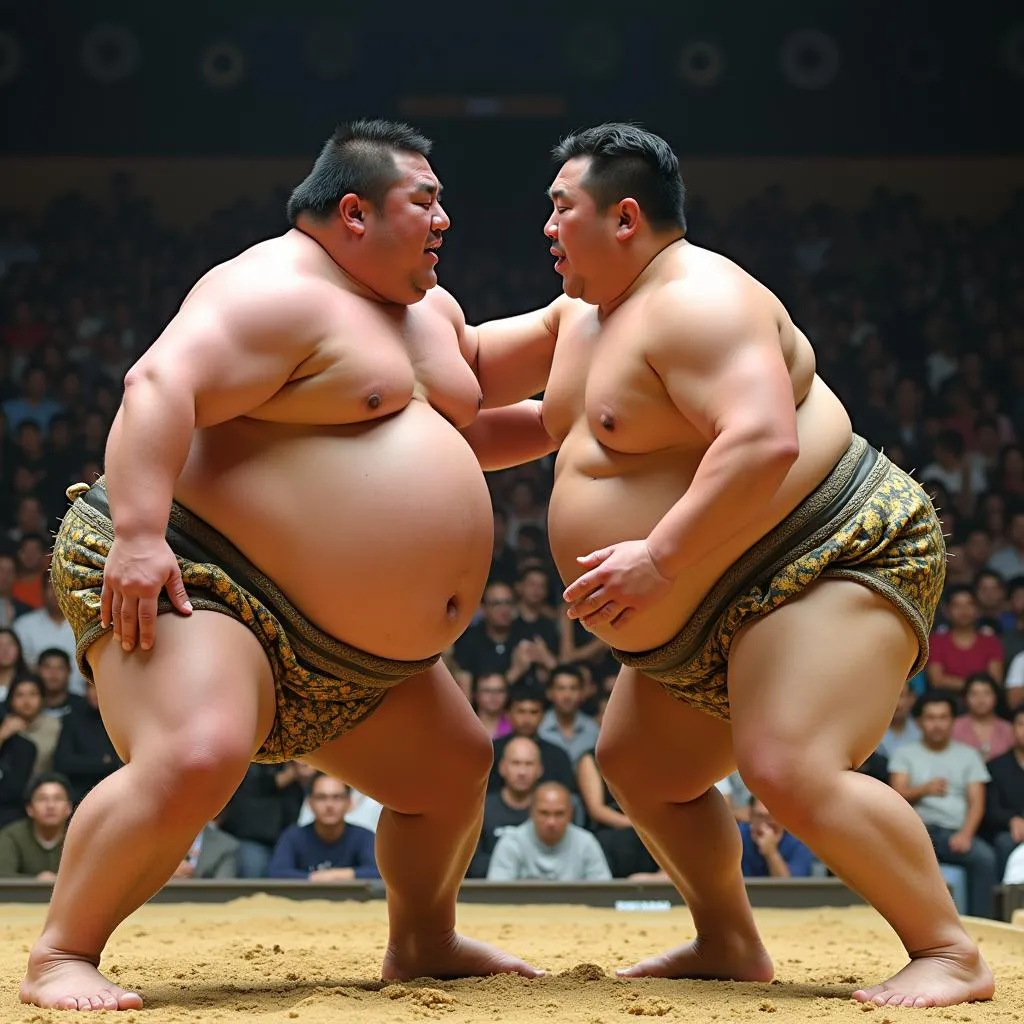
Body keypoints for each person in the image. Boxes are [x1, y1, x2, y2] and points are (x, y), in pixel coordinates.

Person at [20, 119, 551, 1012]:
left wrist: (588, 381)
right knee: (198, 751)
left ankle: (423, 939)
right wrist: (143, 539)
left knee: (453, 766)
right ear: (354, 212)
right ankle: (63, 951)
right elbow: (159, 385)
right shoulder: (273, 288)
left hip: (338, 641)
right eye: (425, 201)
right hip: (205, 570)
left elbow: (462, 416)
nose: (444, 219)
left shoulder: (426, 309)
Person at [471, 123, 992, 1006]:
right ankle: (727, 936)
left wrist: (660, 556)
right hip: (711, 600)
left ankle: (948, 950)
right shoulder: (580, 317)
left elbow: (760, 442)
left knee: (789, 763)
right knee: (639, 765)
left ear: (624, 217)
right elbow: (464, 369)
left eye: (562, 209)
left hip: (824, 549)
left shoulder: (701, 300)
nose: (548, 228)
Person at [486, 782, 611, 882]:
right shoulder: (511, 842)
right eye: (544, 813)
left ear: (570, 814)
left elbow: (603, 893)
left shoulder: (586, 843)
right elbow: (497, 894)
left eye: (559, 814)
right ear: (531, 813)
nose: (551, 822)